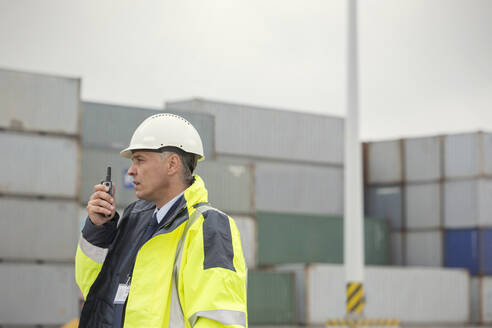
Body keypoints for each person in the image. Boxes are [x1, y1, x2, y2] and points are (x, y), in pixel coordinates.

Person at [75, 113, 248, 327]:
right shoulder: (134, 221)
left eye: (139, 160)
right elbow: (95, 292)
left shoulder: (208, 228)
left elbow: (218, 320)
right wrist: (98, 231)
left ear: (172, 164)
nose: (131, 171)